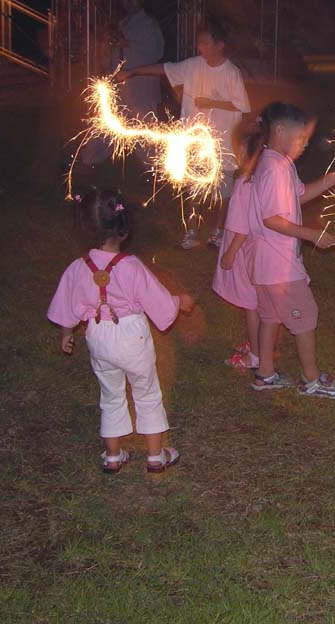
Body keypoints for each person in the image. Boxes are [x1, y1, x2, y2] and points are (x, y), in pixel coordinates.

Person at [47, 188, 195, 473]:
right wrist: (180, 302)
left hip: (98, 336)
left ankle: (113, 456)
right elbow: (160, 304)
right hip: (131, 335)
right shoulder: (131, 267)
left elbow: (67, 305)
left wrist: (67, 334)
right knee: (147, 391)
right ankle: (155, 456)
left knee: (111, 394)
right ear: (124, 229)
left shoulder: (78, 268)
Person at [245, 102, 335, 398]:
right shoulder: (275, 168)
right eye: (301, 138)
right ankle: (312, 379)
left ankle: (265, 374)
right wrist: (310, 234)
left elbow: (298, 195)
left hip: (264, 266)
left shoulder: (278, 163)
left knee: (270, 318)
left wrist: (330, 180)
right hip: (279, 266)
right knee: (305, 317)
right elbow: (271, 217)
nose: (305, 145)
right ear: (280, 130)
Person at [117, 19, 251, 249]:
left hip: (223, 144)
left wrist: (212, 102)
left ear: (219, 45)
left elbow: (243, 106)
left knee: (223, 191)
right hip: (194, 142)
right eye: (199, 43)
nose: (200, 47)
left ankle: (217, 232)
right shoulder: (192, 66)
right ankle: (191, 232)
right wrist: (133, 72)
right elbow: (164, 69)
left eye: (205, 43)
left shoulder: (231, 73)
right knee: (192, 187)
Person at [212, 129, 262, 371]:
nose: (235, 153)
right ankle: (257, 343)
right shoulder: (260, 181)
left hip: (241, 250)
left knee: (250, 304)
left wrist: (230, 253)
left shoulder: (244, 184)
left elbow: (241, 226)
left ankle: (255, 356)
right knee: (254, 301)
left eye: (239, 149)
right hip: (252, 248)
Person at [117, 0, 165, 116]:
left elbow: (156, 52)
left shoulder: (149, 24)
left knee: (144, 122)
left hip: (143, 84)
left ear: (141, 0)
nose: (129, 2)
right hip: (124, 85)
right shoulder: (121, 24)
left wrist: (128, 44)